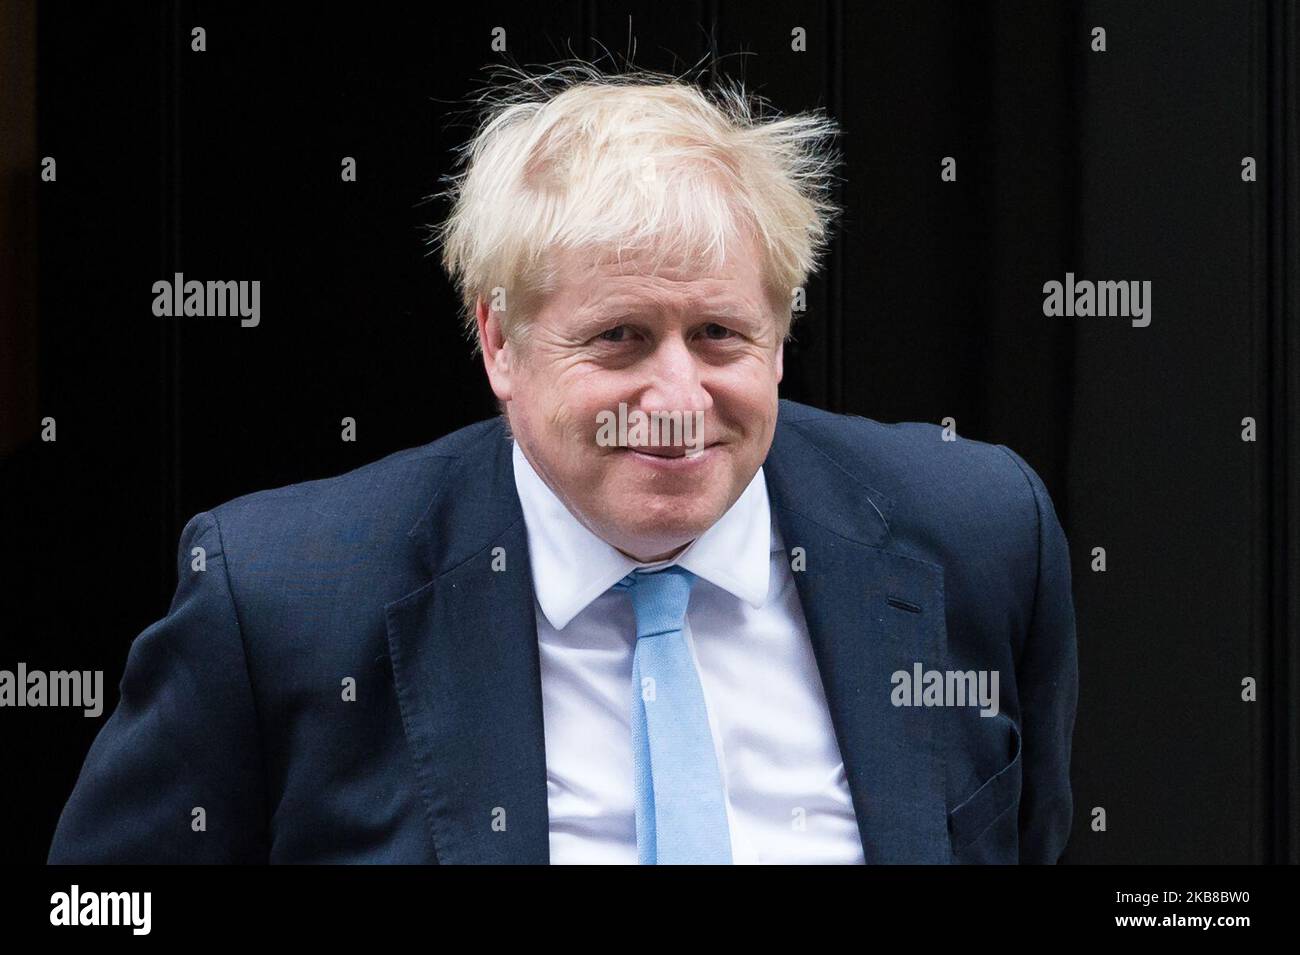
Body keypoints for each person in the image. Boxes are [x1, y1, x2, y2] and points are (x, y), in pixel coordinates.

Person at [48, 63, 1077, 864]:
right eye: (620, 338)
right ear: (499, 343)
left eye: (720, 333)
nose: (677, 400)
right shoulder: (280, 598)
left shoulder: (975, 531)